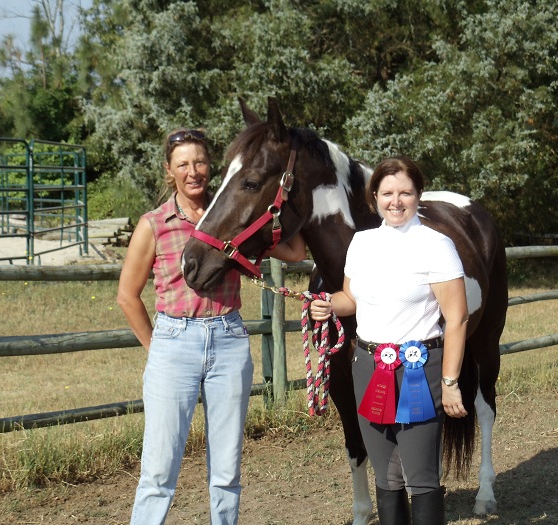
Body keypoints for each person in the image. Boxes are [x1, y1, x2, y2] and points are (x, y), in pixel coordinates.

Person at [117, 128, 306, 525]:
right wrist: (159, 348)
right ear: (169, 171)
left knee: (226, 468)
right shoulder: (154, 224)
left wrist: (283, 201)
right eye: (183, 164)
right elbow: (127, 295)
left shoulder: (235, 214)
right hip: (174, 341)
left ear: (211, 167)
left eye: (200, 162)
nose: (193, 172)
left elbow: (295, 251)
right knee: (159, 468)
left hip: (229, 340)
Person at [310, 156, 468, 525]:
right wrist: (329, 303)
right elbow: (352, 300)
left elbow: (457, 318)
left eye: (405, 193)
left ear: (418, 196)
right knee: (386, 475)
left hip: (419, 369)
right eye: (387, 193)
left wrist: (449, 383)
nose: (396, 201)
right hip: (368, 366)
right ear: (374, 198)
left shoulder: (437, 245)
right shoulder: (361, 244)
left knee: (421, 476)